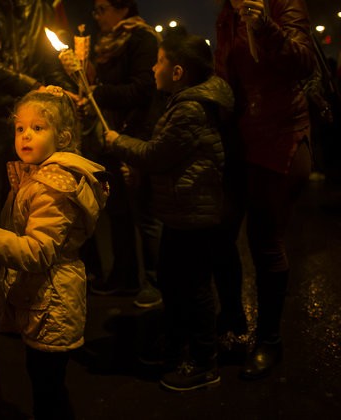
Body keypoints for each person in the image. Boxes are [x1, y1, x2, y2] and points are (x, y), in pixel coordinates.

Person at [0, 86, 108, 419]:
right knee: (43, 381)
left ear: (63, 137)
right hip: (41, 298)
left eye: (38, 128)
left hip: (53, 300)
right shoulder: (35, 174)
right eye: (20, 128)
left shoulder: (52, 188)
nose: (25, 136)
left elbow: (38, 252)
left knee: (47, 389)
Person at [104, 33, 234, 391]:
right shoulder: (183, 102)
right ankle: (178, 348)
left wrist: (118, 143)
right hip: (183, 211)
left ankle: (204, 362)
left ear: (177, 71)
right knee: (176, 284)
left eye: (158, 61)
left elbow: (157, 154)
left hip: (194, 214)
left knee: (192, 288)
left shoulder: (190, 109)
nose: (152, 67)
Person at [0, 0, 76, 331]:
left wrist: (58, 88)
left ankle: (20, 294)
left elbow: (46, 55)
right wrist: (31, 87)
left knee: (28, 206)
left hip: (29, 111)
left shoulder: (35, 6)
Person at [214, 0, 317, 380]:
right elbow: (225, 73)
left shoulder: (281, 4)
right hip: (239, 138)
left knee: (264, 240)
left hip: (279, 135)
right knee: (220, 229)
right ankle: (232, 321)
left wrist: (265, 27)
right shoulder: (227, 11)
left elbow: (302, 61)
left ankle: (270, 339)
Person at [61, 0, 163, 306]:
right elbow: (95, 86)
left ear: (123, 9)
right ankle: (126, 276)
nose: (96, 15)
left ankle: (157, 281)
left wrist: (99, 93)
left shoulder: (141, 38)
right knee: (117, 209)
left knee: (145, 212)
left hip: (134, 133)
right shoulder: (106, 42)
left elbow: (144, 88)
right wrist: (79, 76)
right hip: (108, 135)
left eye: (102, 8)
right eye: (94, 9)